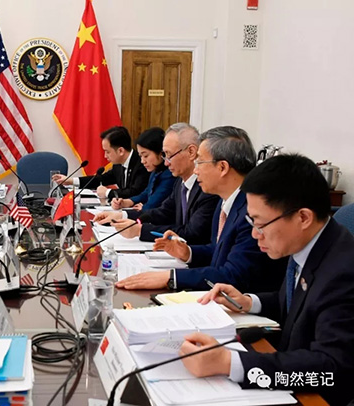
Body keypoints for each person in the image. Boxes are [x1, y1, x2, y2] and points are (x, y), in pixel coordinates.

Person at [180, 154, 354, 406]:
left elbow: (331, 370)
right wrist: (249, 302)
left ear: (303, 217)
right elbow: (298, 305)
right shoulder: (308, 244)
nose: (254, 234)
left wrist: (230, 363)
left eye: (260, 224)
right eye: (251, 221)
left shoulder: (343, 271)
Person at [116, 126, 285, 292]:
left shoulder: (253, 211)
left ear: (222, 167)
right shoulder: (225, 201)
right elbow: (217, 251)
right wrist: (188, 252)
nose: (195, 170)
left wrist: (171, 277)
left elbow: (233, 275)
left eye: (200, 162)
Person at [94, 123, 219, 245]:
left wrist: (140, 230)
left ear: (191, 152)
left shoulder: (207, 188)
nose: (166, 163)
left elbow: (192, 234)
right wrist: (121, 215)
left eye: (169, 155)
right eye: (165, 155)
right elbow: (163, 212)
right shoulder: (180, 183)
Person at [52, 126, 149, 199]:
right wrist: (72, 181)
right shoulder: (118, 165)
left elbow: (134, 192)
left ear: (120, 151)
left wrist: (107, 192)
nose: (105, 156)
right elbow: (101, 179)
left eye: (107, 152)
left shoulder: (141, 164)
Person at [109, 127, 175, 211]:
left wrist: (143, 208)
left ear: (161, 153)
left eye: (146, 156)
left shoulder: (169, 174)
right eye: (140, 156)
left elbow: (153, 203)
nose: (142, 161)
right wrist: (128, 202)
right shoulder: (156, 171)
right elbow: (146, 193)